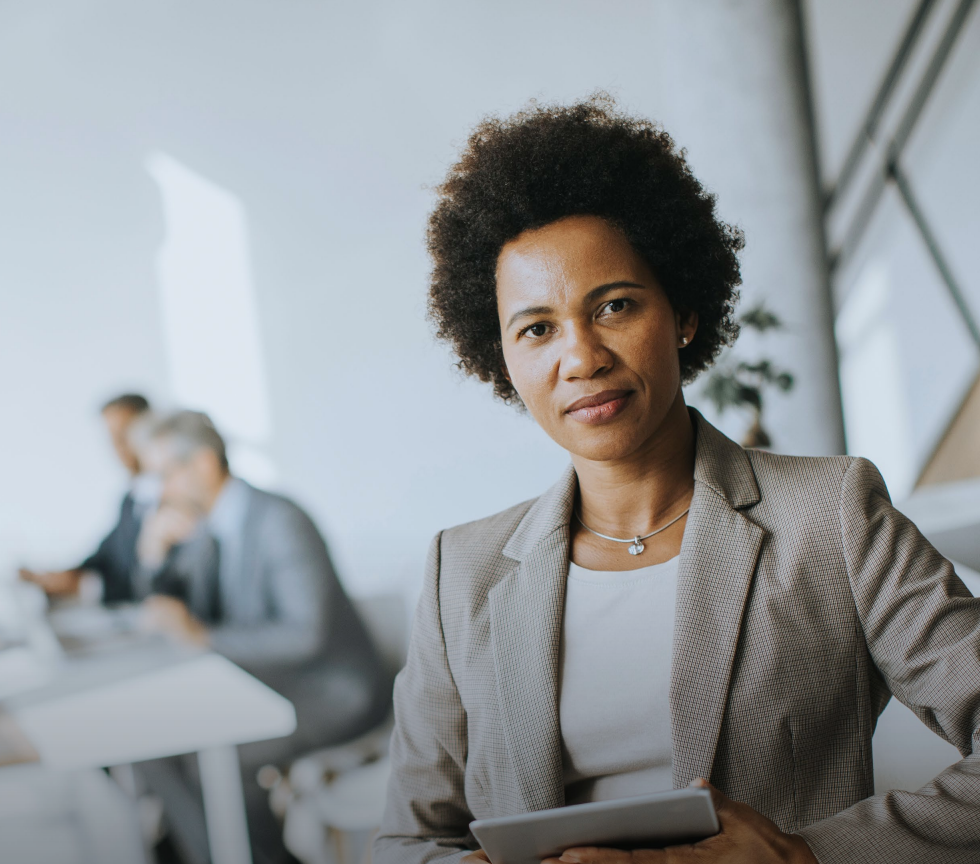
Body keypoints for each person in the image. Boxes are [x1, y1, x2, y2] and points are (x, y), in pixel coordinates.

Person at [375, 96, 980, 864]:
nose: (582, 357)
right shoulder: (458, 572)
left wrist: (804, 855)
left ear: (684, 312)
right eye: (537, 329)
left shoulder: (830, 516)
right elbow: (404, 840)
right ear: (502, 362)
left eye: (615, 306)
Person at [134, 410, 391, 864]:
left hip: (332, 694)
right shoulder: (207, 527)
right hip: (265, 686)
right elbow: (176, 614)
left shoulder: (278, 520)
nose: (161, 491)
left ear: (204, 464)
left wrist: (200, 637)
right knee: (150, 746)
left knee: (214, 759)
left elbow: (305, 635)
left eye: (164, 475)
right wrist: (155, 559)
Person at [20, 393, 158, 602]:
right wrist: (59, 577)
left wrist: (83, 586)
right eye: (111, 437)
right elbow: (104, 556)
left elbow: (154, 583)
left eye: (124, 435)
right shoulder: (130, 498)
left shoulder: (174, 499)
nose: (117, 447)